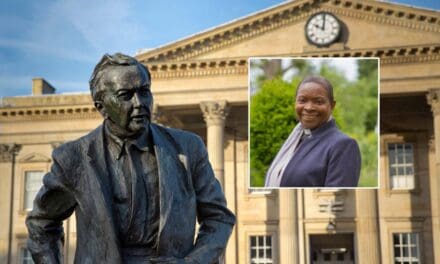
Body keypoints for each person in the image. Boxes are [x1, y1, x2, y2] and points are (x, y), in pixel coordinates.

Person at [26, 53, 235, 264]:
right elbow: (41, 225)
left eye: (144, 92)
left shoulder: (188, 148)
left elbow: (219, 218)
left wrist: (193, 262)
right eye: (126, 95)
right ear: (101, 106)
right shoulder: (74, 158)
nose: (139, 103)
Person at [264, 76, 361, 187]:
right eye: (302, 100)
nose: (309, 107)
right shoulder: (296, 140)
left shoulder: (343, 145)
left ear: (332, 105)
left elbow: (338, 196)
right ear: (295, 102)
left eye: (318, 102)